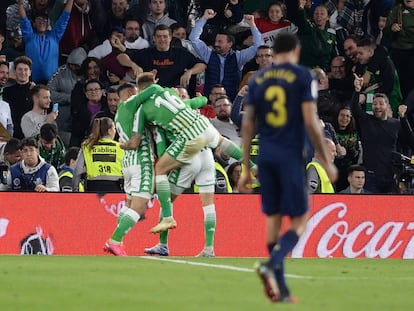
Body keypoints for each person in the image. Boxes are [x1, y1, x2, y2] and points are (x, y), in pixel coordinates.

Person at [238, 33, 337, 303]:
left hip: (266, 155)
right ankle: (273, 263)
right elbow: (310, 119)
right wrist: (327, 161)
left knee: (273, 219)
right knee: (300, 219)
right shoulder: (304, 76)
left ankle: (280, 287)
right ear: (295, 49)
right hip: (292, 155)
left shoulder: (258, 79)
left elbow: (247, 125)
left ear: (274, 52)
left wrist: (246, 167)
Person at [121, 72, 255, 234]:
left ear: (139, 90)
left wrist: (127, 146)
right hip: (203, 128)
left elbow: (155, 141)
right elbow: (199, 101)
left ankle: (167, 219)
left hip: (189, 141)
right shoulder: (169, 93)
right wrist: (202, 99)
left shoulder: (142, 110)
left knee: (160, 171)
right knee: (220, 143)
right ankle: (253, 166)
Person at [104, 82, 154, 256]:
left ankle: (119, 242)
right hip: (141, 160)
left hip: (128, 163)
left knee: (129, 204)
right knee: (140, 206)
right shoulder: (130, 104)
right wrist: (151, 83)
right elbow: (153, 90)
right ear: (128, 94)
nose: (138, 94)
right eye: (135, 92)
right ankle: (115, 240)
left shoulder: (119, 114)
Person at [189, 10, 263, 101]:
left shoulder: (238, 57)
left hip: (230, 102)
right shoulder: (208, 54)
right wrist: (204, 18)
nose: (216, 44)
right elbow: (193, 39)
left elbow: (259, 46)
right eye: (216, 41)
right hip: (210, 101)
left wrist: (252, 25)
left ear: (230, 44)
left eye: (220, 42)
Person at [17, 0, 74, 83]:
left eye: (44, 20)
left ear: (48, 24)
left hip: (52, 83)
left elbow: (65, 17)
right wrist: (20, 4)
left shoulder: (55, 36)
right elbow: (23, 20)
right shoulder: (29, 37)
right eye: (39, 20)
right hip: (32, 82)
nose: (41, 22)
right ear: (33, 23)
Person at [72, 117, 124, 192]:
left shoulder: (87, 147)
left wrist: (75, 191)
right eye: (114, 128)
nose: (115, 131)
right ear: (109, 131)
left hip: (93, 188)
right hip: (115, 188)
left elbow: (77, 170)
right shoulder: (120, 147)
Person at [3, 55, 34, 139]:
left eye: (26, 69)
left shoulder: (36, 91)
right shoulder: (6, 91)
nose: (23, 72)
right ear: (15, 72)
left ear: (30, 72)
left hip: (31, 136)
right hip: (12, 136)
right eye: (20, 69)